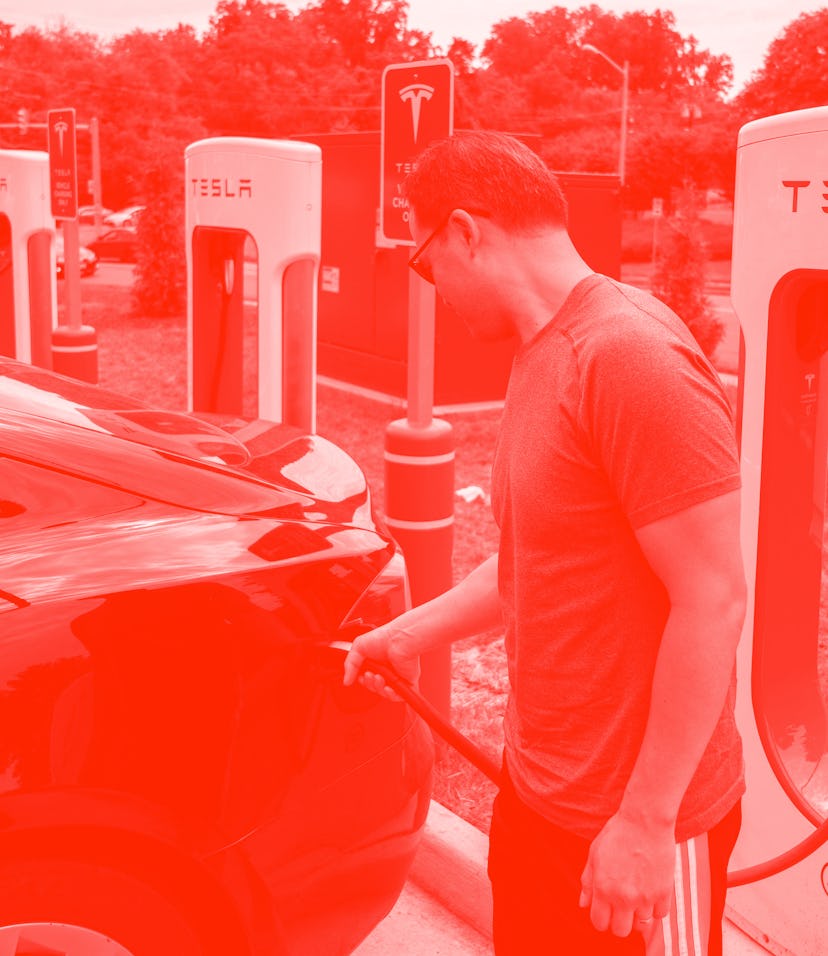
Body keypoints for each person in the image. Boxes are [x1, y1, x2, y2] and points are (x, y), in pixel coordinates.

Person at [343, 131, 746, 955]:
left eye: (424, 263)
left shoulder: (631, 356)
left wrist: (646, 822)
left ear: (465, 232)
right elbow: (534, 556)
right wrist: (406, 634)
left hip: (634, 832)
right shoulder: (542, 352)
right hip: (539, 800)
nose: (433, 289)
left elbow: (713, 598)